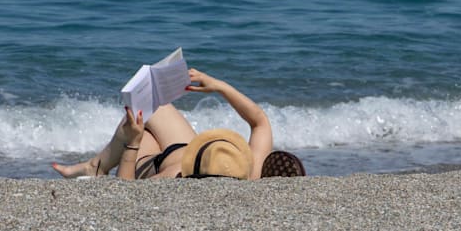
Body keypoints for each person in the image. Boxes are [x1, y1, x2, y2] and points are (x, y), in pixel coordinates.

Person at [52, 68, 295, 180]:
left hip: (154, 163)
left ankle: (95, 167)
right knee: (154, 106)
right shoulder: (247, 172)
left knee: (139, 120)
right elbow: (260, 121)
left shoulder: (173, 180)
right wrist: (217, 86)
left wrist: (133, 145)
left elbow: (126, 191)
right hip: (184, 148)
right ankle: (94, 166)